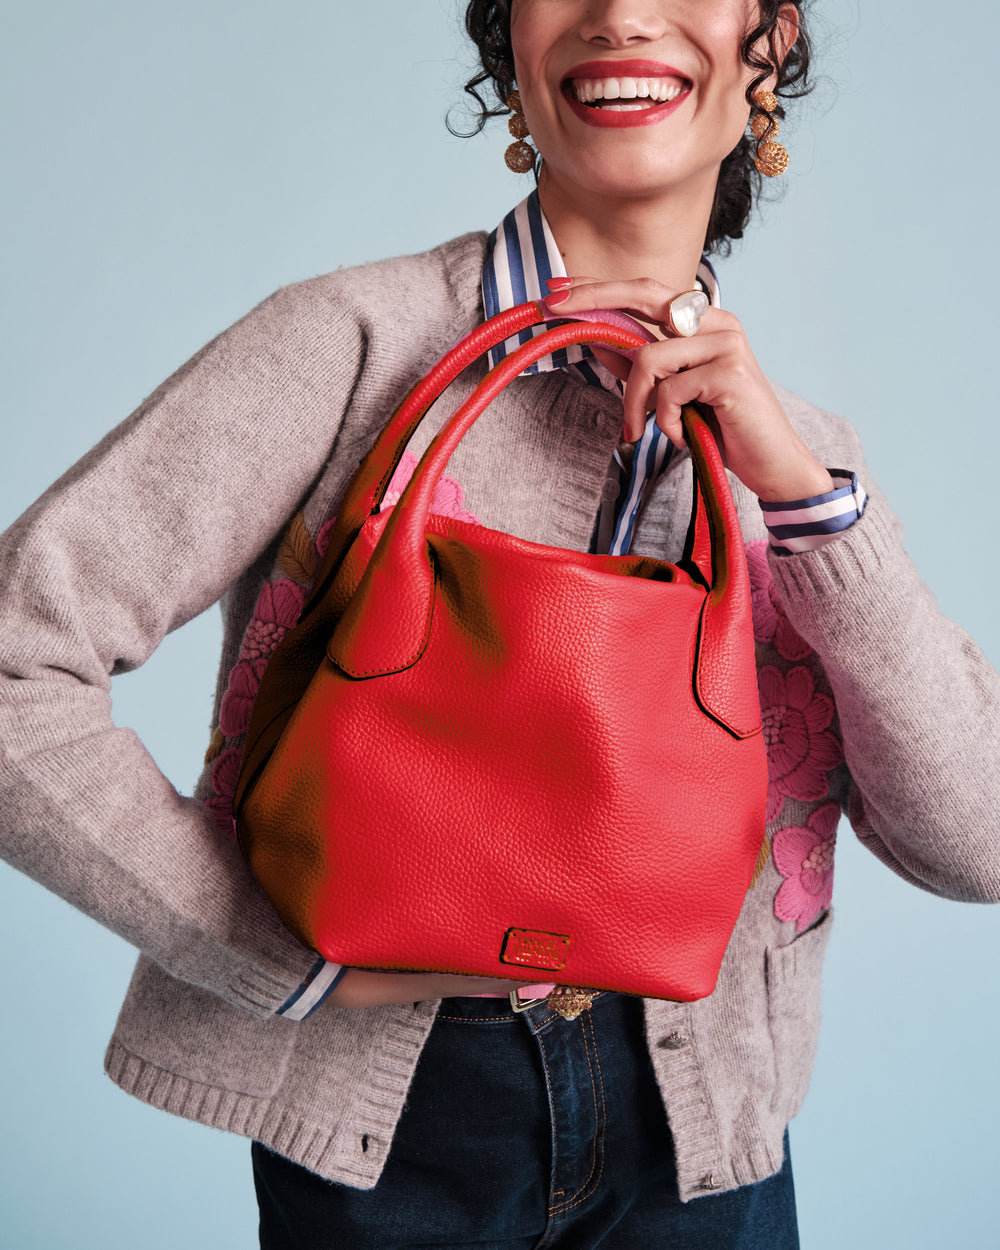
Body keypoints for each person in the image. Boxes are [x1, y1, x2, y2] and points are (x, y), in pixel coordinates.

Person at [1, 1, 998, 1247]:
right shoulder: (352, 347)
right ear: (510, 35)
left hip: (702, 1147)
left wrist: (806, 499)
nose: (623, 10)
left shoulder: (805, 469)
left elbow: (979, 843)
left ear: (772, 39)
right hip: (392, 1133)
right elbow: (12, 666)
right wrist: (269, 955)